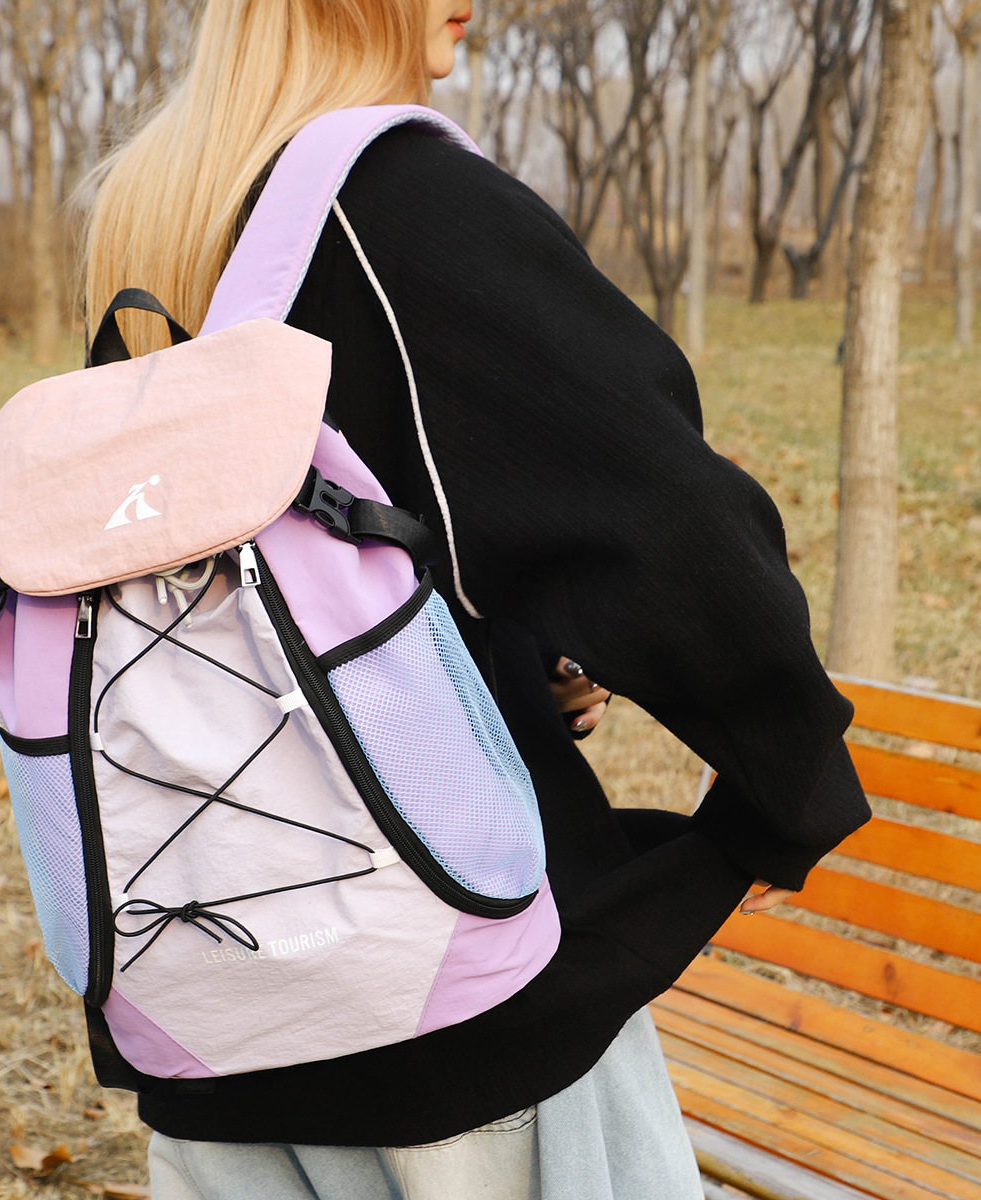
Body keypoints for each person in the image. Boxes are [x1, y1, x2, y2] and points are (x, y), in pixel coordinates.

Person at [79, 2, 870, 1196]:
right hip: (455, 1014)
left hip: (216, 992)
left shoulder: (156, 208)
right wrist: (789, 788)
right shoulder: (403, 204)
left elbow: (245, 574)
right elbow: (667, 519)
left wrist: (509, 657)